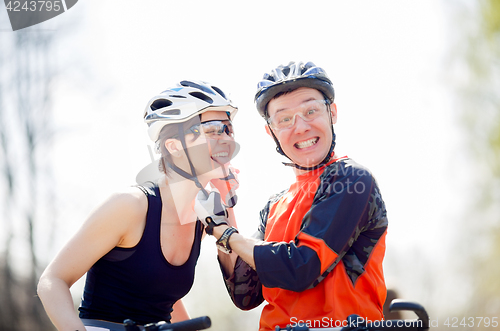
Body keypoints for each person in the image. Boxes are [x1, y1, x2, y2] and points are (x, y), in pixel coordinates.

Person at [195, 61, 388, 331]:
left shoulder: (351, 180)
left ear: (332, 112)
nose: (300, 127)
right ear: (270, 131)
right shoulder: (275, 205)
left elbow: (301, 268)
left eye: (311, 111)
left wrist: (223, 232)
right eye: (284, 119)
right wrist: (226, 206)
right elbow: (246, 294)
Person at [37, 80, 239, 331]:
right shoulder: (130, 206)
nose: (226, 139)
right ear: (174, 146)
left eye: (228, 129)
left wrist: (227, 206)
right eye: (212, 129)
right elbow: (52, 280)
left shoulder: (202, 218)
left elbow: (170, 296)